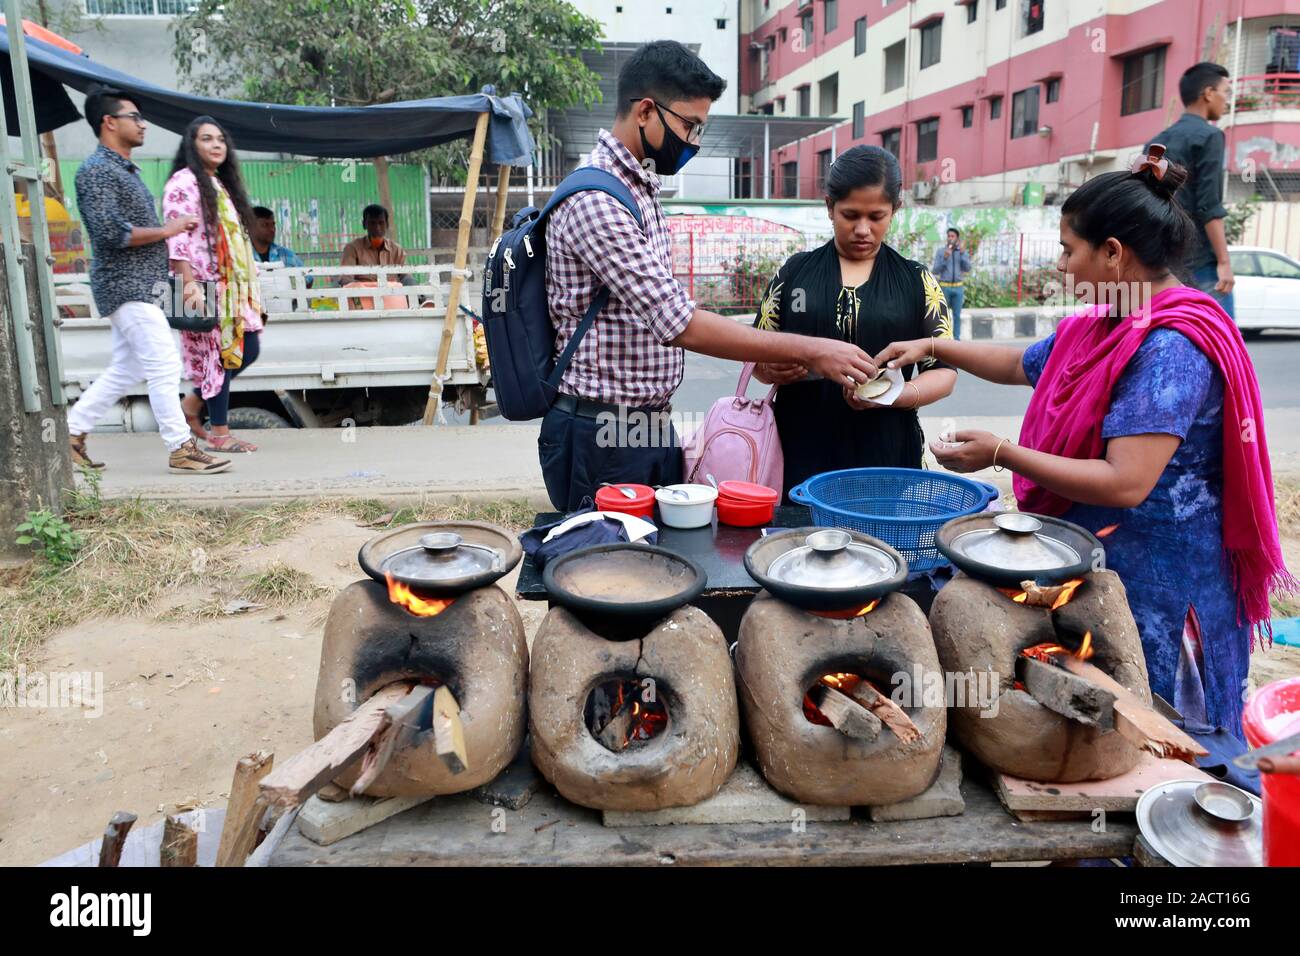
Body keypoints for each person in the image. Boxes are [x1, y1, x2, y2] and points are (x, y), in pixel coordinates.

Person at [876, 148, 1292, 740]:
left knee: (1164, 738)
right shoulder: (1105, 323)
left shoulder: (1171, 345)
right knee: (1101, 723)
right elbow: (1023, 365)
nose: (1061, 263)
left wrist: (1001, 453)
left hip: (1164, 583)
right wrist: (933, 347)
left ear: (1114, 253)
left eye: (1069, 249)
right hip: (1105, 560)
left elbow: (1126, 481)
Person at [540, 40, 876, 511]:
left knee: (657, 567)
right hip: (603, 434)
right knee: (610, 570)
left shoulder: (639, 188)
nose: (694, 142)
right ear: (644, 112)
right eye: (689, 126)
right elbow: (680, 323)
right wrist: (814, 349)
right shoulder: (597, 201)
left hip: (644, 425)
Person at [753, 146, 957, 495]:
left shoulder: (916, 281)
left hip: (887, 455)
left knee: (881, 545)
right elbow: (757, 356)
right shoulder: (793, 274)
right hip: (801, 451)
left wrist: (898, 394)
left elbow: (944, 371)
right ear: (829, 207)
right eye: (850, 215)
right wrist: (771, 370)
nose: (863, 229)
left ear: (895, 210)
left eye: (876, 216)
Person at [65, 87, 231, 475]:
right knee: (163, 362)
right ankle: (181, 447)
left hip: (141, 287)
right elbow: (110, 233)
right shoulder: (97, 172)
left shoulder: (123, 171)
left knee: (127, 369)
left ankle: (72, 433)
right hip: (126, 285)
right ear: (109, 122)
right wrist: (168, 228)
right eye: (134, 117)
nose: (142, 124)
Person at [164, 115, 266, 454]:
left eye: (220, 139)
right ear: (192, 145)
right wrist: (189, 285)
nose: (216, 144)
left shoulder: (217, 183)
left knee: (245, 350)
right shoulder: (183, 182)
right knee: (223, 356)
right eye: (207, 139)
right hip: (203, 286)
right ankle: (220, 433)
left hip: (229, 289)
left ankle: (193, 404)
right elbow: (176, 238)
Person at [1150, 62, 1235, 316]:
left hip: (1164, 264)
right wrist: (1224, 262)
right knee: (1221, 347)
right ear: (1208, 93)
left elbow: (1148, 201)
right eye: (1226, 92)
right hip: (1201, 263)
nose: (1227, 101)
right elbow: (1209, 205)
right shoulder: (1210, 136)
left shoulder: (1157, 141)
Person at [338, 204, 406, 284]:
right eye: (372, 223)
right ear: (364, 224)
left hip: (392, 294)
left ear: (387, 224)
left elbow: (405, 275)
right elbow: (346, 278)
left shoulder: (396, 250)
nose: (377, 228)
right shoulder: (353, 248)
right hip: (363, 294)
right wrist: (365, 289)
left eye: (381, 223)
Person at [931, 227, 971, 340]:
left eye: (952, 236)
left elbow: (968, 268)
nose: (950, 238)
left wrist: (963, 254)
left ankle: (956, 340)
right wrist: (945, 257)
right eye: (948, 236)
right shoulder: (941, 251)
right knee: (943, 316)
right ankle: (943, 339)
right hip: (945, 287)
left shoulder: (962, 252)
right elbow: (935, 270)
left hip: (958, 288)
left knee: (957, 316)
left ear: (957, 238)